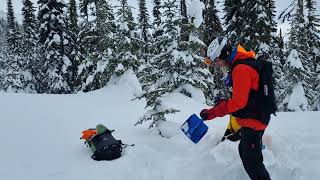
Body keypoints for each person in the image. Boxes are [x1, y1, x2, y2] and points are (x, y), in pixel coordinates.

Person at [200, 37, 272, 180]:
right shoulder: (240, 65)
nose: (217, 64)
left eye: (216, 60)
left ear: (224, 55)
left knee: (252, 163)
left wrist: (212, 113)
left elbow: (238, 103)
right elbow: (243, 97)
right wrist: (223, 103)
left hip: (254, 120)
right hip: (253, 117)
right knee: (246, 153)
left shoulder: (241, 69)